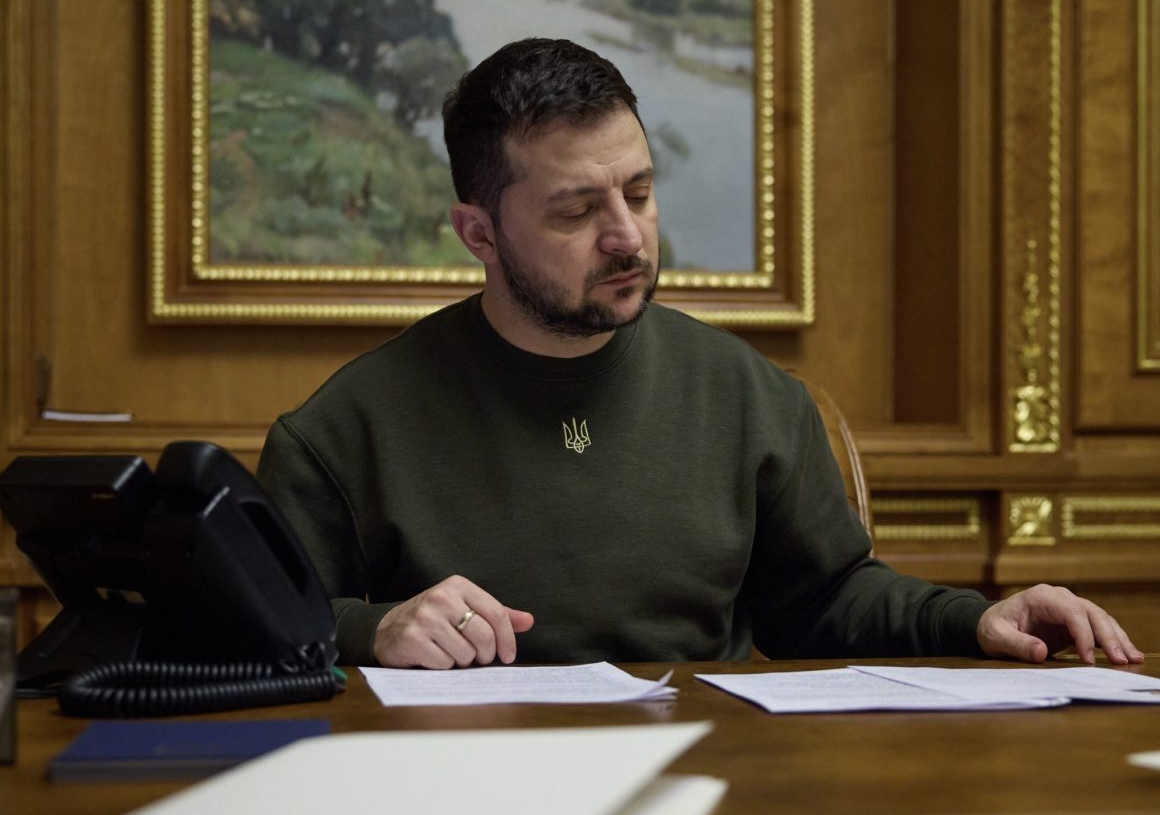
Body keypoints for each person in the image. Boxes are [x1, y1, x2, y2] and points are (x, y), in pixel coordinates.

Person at [257, 37, 1143, 672]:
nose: (626, 236)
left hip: (707, 780)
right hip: (458, 798)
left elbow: (825, 602)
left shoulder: (750, 397)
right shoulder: (344, 430)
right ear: (478, 233)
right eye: (577, 211)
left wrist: (977, 620)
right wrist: (372, 630)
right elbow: (251, 630)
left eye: (640, 194)